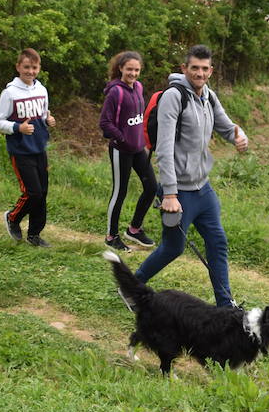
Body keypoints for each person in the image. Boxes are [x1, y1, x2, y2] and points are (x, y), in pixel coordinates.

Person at [132, 44, 248, 307]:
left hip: (203, 189)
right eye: (194, 68)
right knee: (173, 248)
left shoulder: (209, 96)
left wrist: (240, 139)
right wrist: (170, 193)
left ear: (211, 70)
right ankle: (132, 286)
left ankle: (225, 305)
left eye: (205, 68)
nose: (200, 73)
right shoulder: (174, 96)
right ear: (184, 68)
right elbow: (163, 148)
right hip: (179, 191)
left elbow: (228, 127)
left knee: (217, 243)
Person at [0, 48, 57, 248]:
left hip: (39, 148)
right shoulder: (9, 93)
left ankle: (34, 235)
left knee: (42, 193)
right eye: (26, 67)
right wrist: (17, 127)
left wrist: (49, 120)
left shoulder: (41, 89)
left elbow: (43, 114)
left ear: (39, 68)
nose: (30, 71)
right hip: (20, 150)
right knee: (33, 192)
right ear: (18, 67)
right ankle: (13, 217)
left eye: (34, 67)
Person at [99, 51, 157, 251]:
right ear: (121, 68)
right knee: (120, 192)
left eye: (137, 70)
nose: (133, 73)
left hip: (138, 149)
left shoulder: (138, 87)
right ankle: (111, 236)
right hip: (120, 150)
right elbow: (104, 123)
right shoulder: (116, 92)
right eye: (129, 69)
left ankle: (134, 229)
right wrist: (122, 137)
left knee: (152, 188)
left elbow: (139, 117)